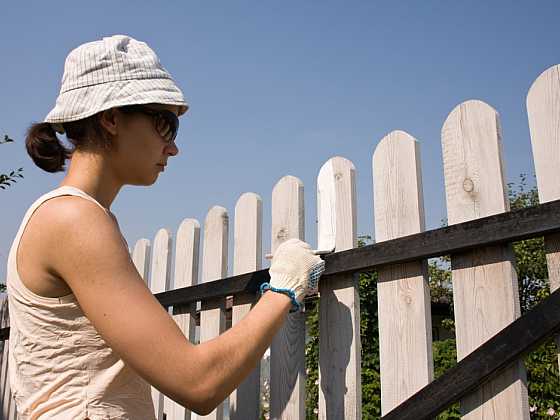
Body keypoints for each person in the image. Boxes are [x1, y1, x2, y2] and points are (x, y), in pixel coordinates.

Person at [6, 34, 325, 419]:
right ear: (111, 118)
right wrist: (284, 287)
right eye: (165, 124)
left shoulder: (71, 216)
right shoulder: (74, 220)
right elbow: (198, 383)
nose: (172, 147)